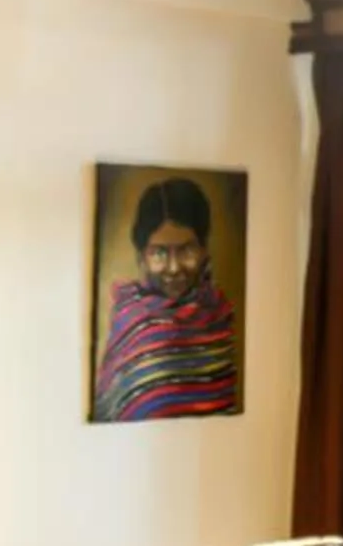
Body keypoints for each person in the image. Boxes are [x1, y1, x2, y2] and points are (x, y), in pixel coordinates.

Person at [92, 176, 240, 421]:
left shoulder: (218, 316)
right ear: (142, 256)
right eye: (159, 252)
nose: (173, 268)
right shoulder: (132, 324)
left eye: (187, 250)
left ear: (204, 250)